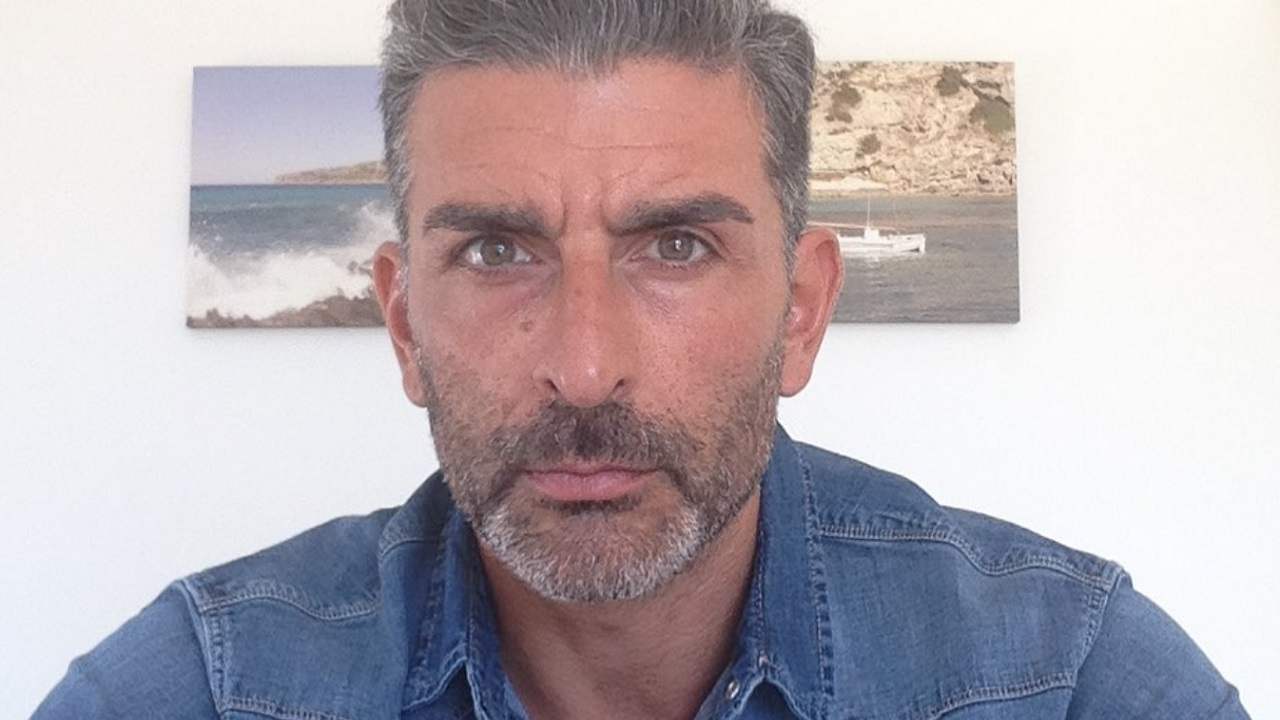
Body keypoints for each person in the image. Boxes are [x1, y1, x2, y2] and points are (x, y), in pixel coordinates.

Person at [35, 1, 1249, 718]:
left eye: (674, 246)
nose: (583, 367)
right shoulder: (209, 685)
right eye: (496, 250)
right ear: (404, 326)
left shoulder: (1063, 677)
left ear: (799, 311)